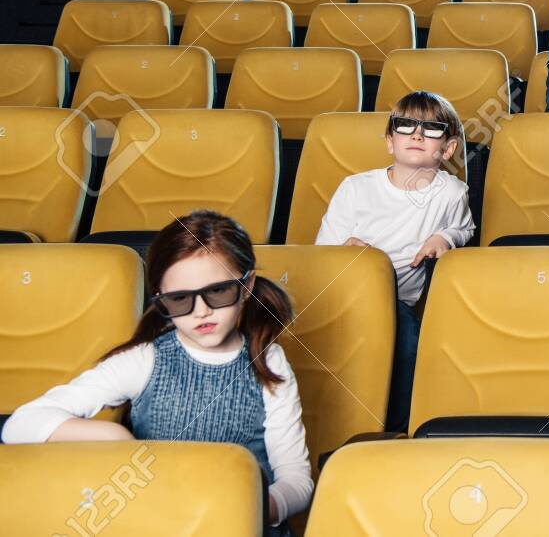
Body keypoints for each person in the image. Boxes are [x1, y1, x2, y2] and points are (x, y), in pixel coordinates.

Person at [2, 211, 313, 534]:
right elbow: (20, 425)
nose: (201, 311)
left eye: (218, 292)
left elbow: (296, 479)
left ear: (246, 285)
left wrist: (253, 504)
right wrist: (116, 438)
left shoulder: (269, 361)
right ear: (162, 300)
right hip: (159, 524)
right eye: (180, 299)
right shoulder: (145, 359)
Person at [315, 90, 474, 432]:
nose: (417, 134)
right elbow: (322, 253)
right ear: (390, 141)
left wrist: (445, 237)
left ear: (448, 149)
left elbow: (465, 227)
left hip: (396, 300)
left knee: (407, 344)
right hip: (343, 294)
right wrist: (346, 249)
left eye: (431, 129)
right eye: (405, 126)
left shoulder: (452, 193)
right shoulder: (355, 188)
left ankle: (395, 432)